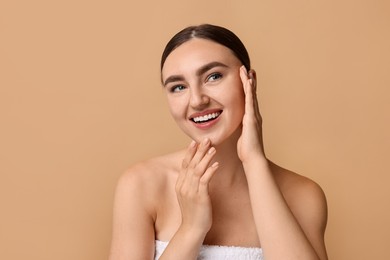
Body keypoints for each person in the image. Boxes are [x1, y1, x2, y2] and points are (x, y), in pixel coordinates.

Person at [109, 24, 328, 260]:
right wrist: (191, 229)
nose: (197, 100)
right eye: (178, 87)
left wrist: (254, 162)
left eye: (213, 76)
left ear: (249, 81)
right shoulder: (142, 185)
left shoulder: (303, 195)